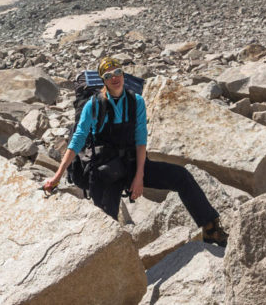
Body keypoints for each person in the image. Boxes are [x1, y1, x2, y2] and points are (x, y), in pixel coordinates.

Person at [44, 57, 228, 247]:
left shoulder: (136, 101)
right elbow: (77, 141)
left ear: (123, 74)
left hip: (132, 164)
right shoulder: (94, 105)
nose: (114, 78)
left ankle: (211, 229)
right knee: (108, 227)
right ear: (103, 81)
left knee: (182, 176)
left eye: (117, 73)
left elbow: (141, 141)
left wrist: (139, 177)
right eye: (108, 76)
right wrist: (57, 176)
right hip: (105, 174)